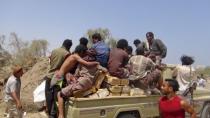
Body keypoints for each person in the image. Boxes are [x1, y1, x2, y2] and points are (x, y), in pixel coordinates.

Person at [45, 39, 72, 117]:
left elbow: (50, 59)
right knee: (56, 97)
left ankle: (50, 114)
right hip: (58, 77)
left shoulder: (54, 50)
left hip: (49, 76)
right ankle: (53, 115)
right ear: (69, 46)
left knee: (49, 97)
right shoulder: (67, 54)